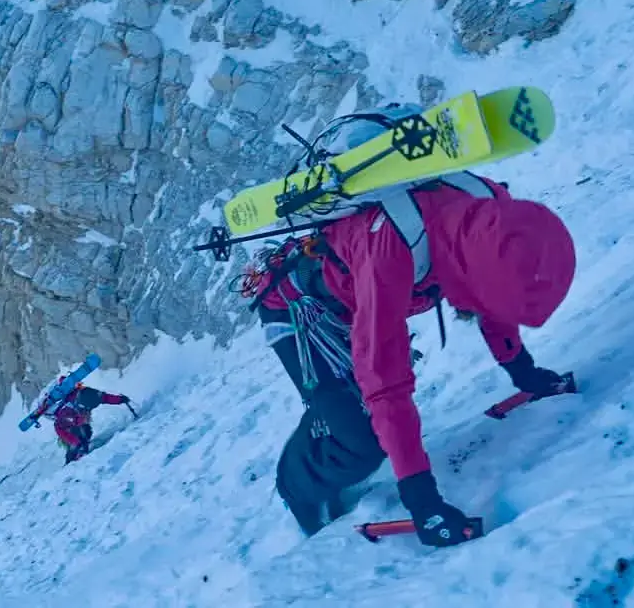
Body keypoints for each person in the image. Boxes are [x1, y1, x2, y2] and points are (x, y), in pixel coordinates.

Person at [240, 104, 576, 546]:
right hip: (300, 311)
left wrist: (525, 374)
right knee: (358, 439)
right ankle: (296, 488)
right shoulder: (389, 250)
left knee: (365, 416)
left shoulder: (490, 208)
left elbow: (495, 296)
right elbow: (385, 380)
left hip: (353, 293)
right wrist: (421, 498)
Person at [42, 380, 131, 464]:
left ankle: (74, 456)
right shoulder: (68, 415)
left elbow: (105, 398)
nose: (89, 415)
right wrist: (78, 446)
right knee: (81, 436)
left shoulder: (84, 401)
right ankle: (70, 462)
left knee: (85, 432)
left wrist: (120, 399)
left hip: (74, 424)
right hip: (68, 430)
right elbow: (70, 437)